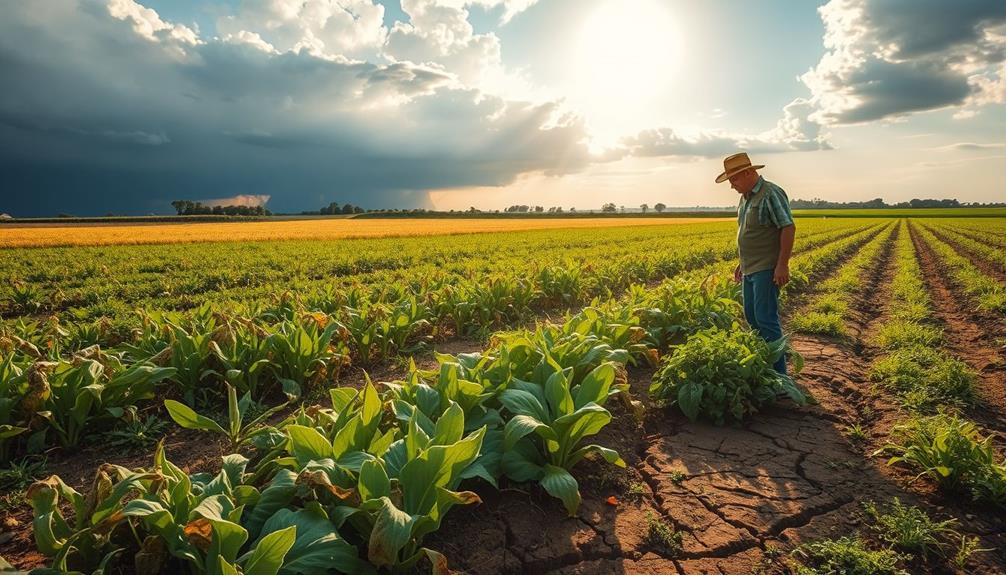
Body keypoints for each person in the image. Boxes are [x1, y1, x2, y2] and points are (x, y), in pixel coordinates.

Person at [715, 152, 795, 375]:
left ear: (749, 172)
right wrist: (742, 262)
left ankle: (779, 376)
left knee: (765, 319)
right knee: (751, 316)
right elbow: (750, 232)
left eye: (734, 179)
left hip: (767, 268)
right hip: (750, 267)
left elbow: (787, 227)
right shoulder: (746, 197)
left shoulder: (771, 193)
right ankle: (765, 368)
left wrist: (782, 265)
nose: (732, 186)